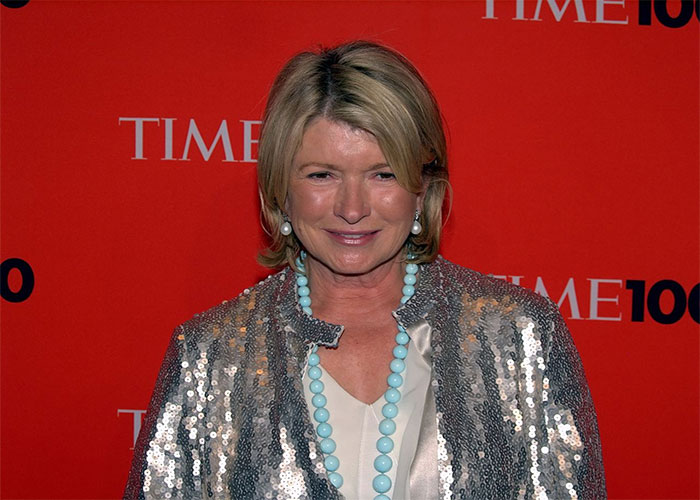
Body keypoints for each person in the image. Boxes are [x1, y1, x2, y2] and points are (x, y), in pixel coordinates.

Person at [124, 41, 606, 500]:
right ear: (280, 191)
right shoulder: (208, 356)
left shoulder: (519, 337)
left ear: (422, 188)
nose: (352, 208)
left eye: (383, 174)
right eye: (322, 175)